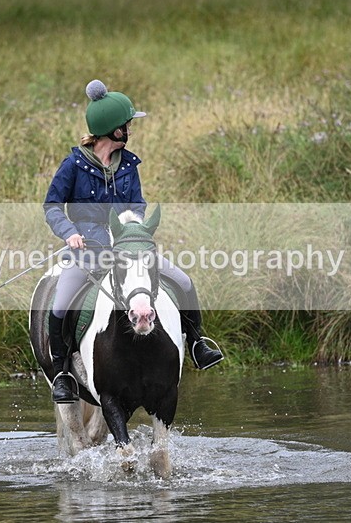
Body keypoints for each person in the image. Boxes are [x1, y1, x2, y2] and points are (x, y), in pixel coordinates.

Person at [43, 79, 223, 403]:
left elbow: (138, 202)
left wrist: (134, 225)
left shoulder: (128, 163)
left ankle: (197, 343)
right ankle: (61, 374)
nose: (129, 128)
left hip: (131, 246)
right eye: (126, 124)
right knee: (60, 304)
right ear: (113, 130)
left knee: (183, 280)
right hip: (89, 249)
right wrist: (69, 232)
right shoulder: (73, 166)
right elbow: (52, 205)